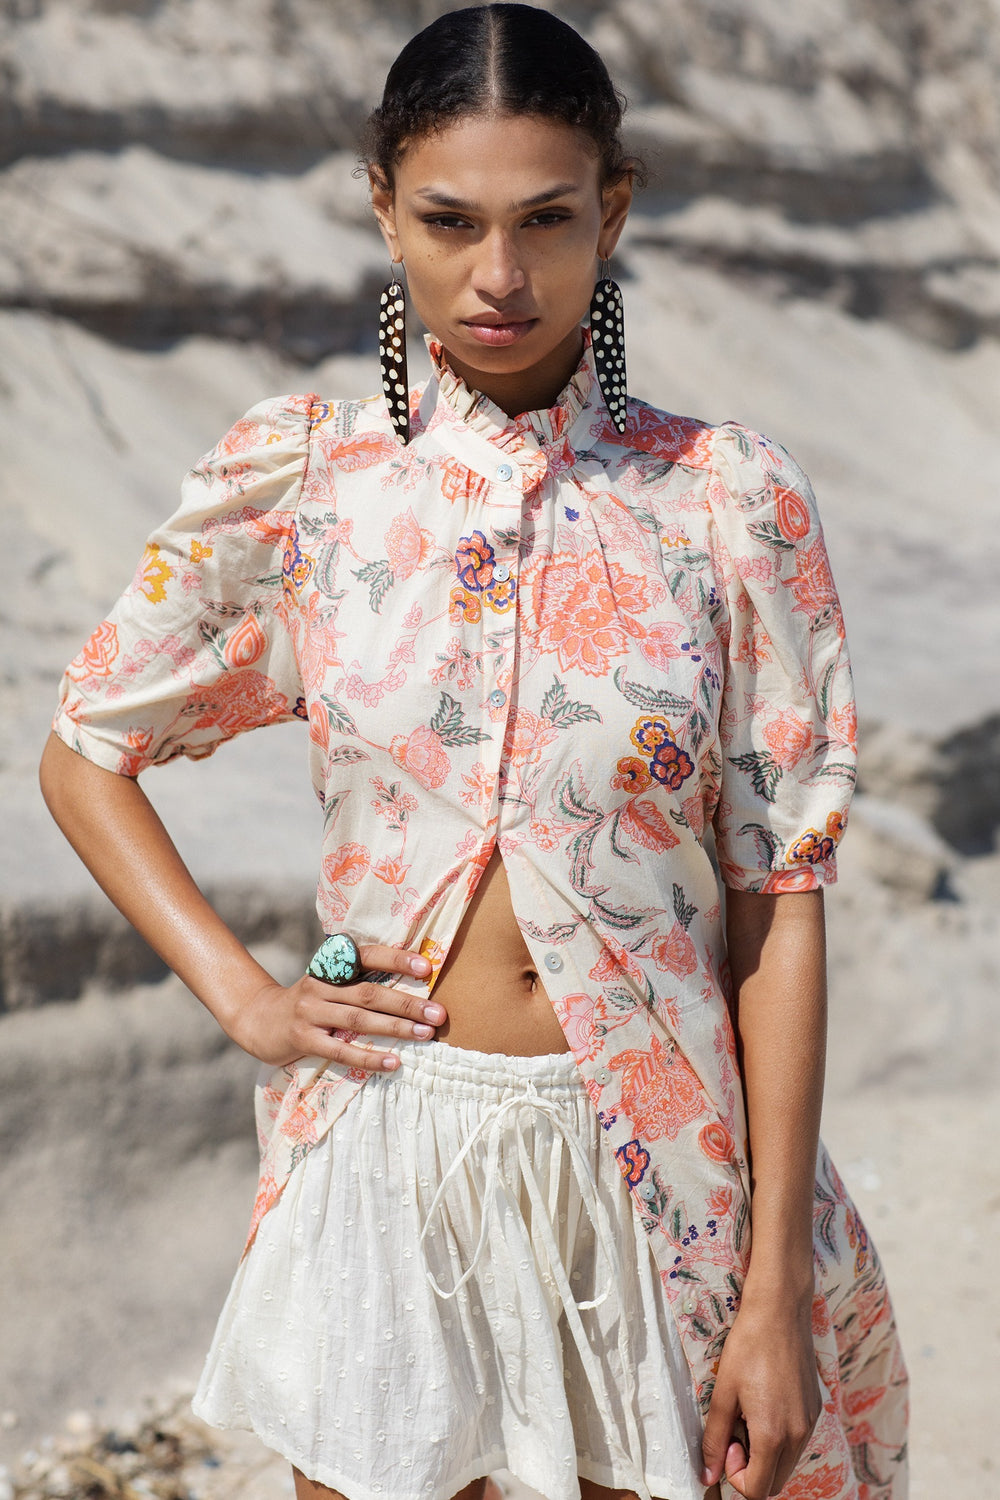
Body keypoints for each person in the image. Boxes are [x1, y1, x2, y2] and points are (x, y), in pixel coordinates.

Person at [39, 7, 908, 1500]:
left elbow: (781, 900)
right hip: (387, 1156)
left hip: (654, 1170)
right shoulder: (307, 483)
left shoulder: (726, 502)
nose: (498, 276)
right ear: (382, 204)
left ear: (613, 209)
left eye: (547, 220)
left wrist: (772, 1294)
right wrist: (244, 996)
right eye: (449, 221)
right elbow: (85, 749)